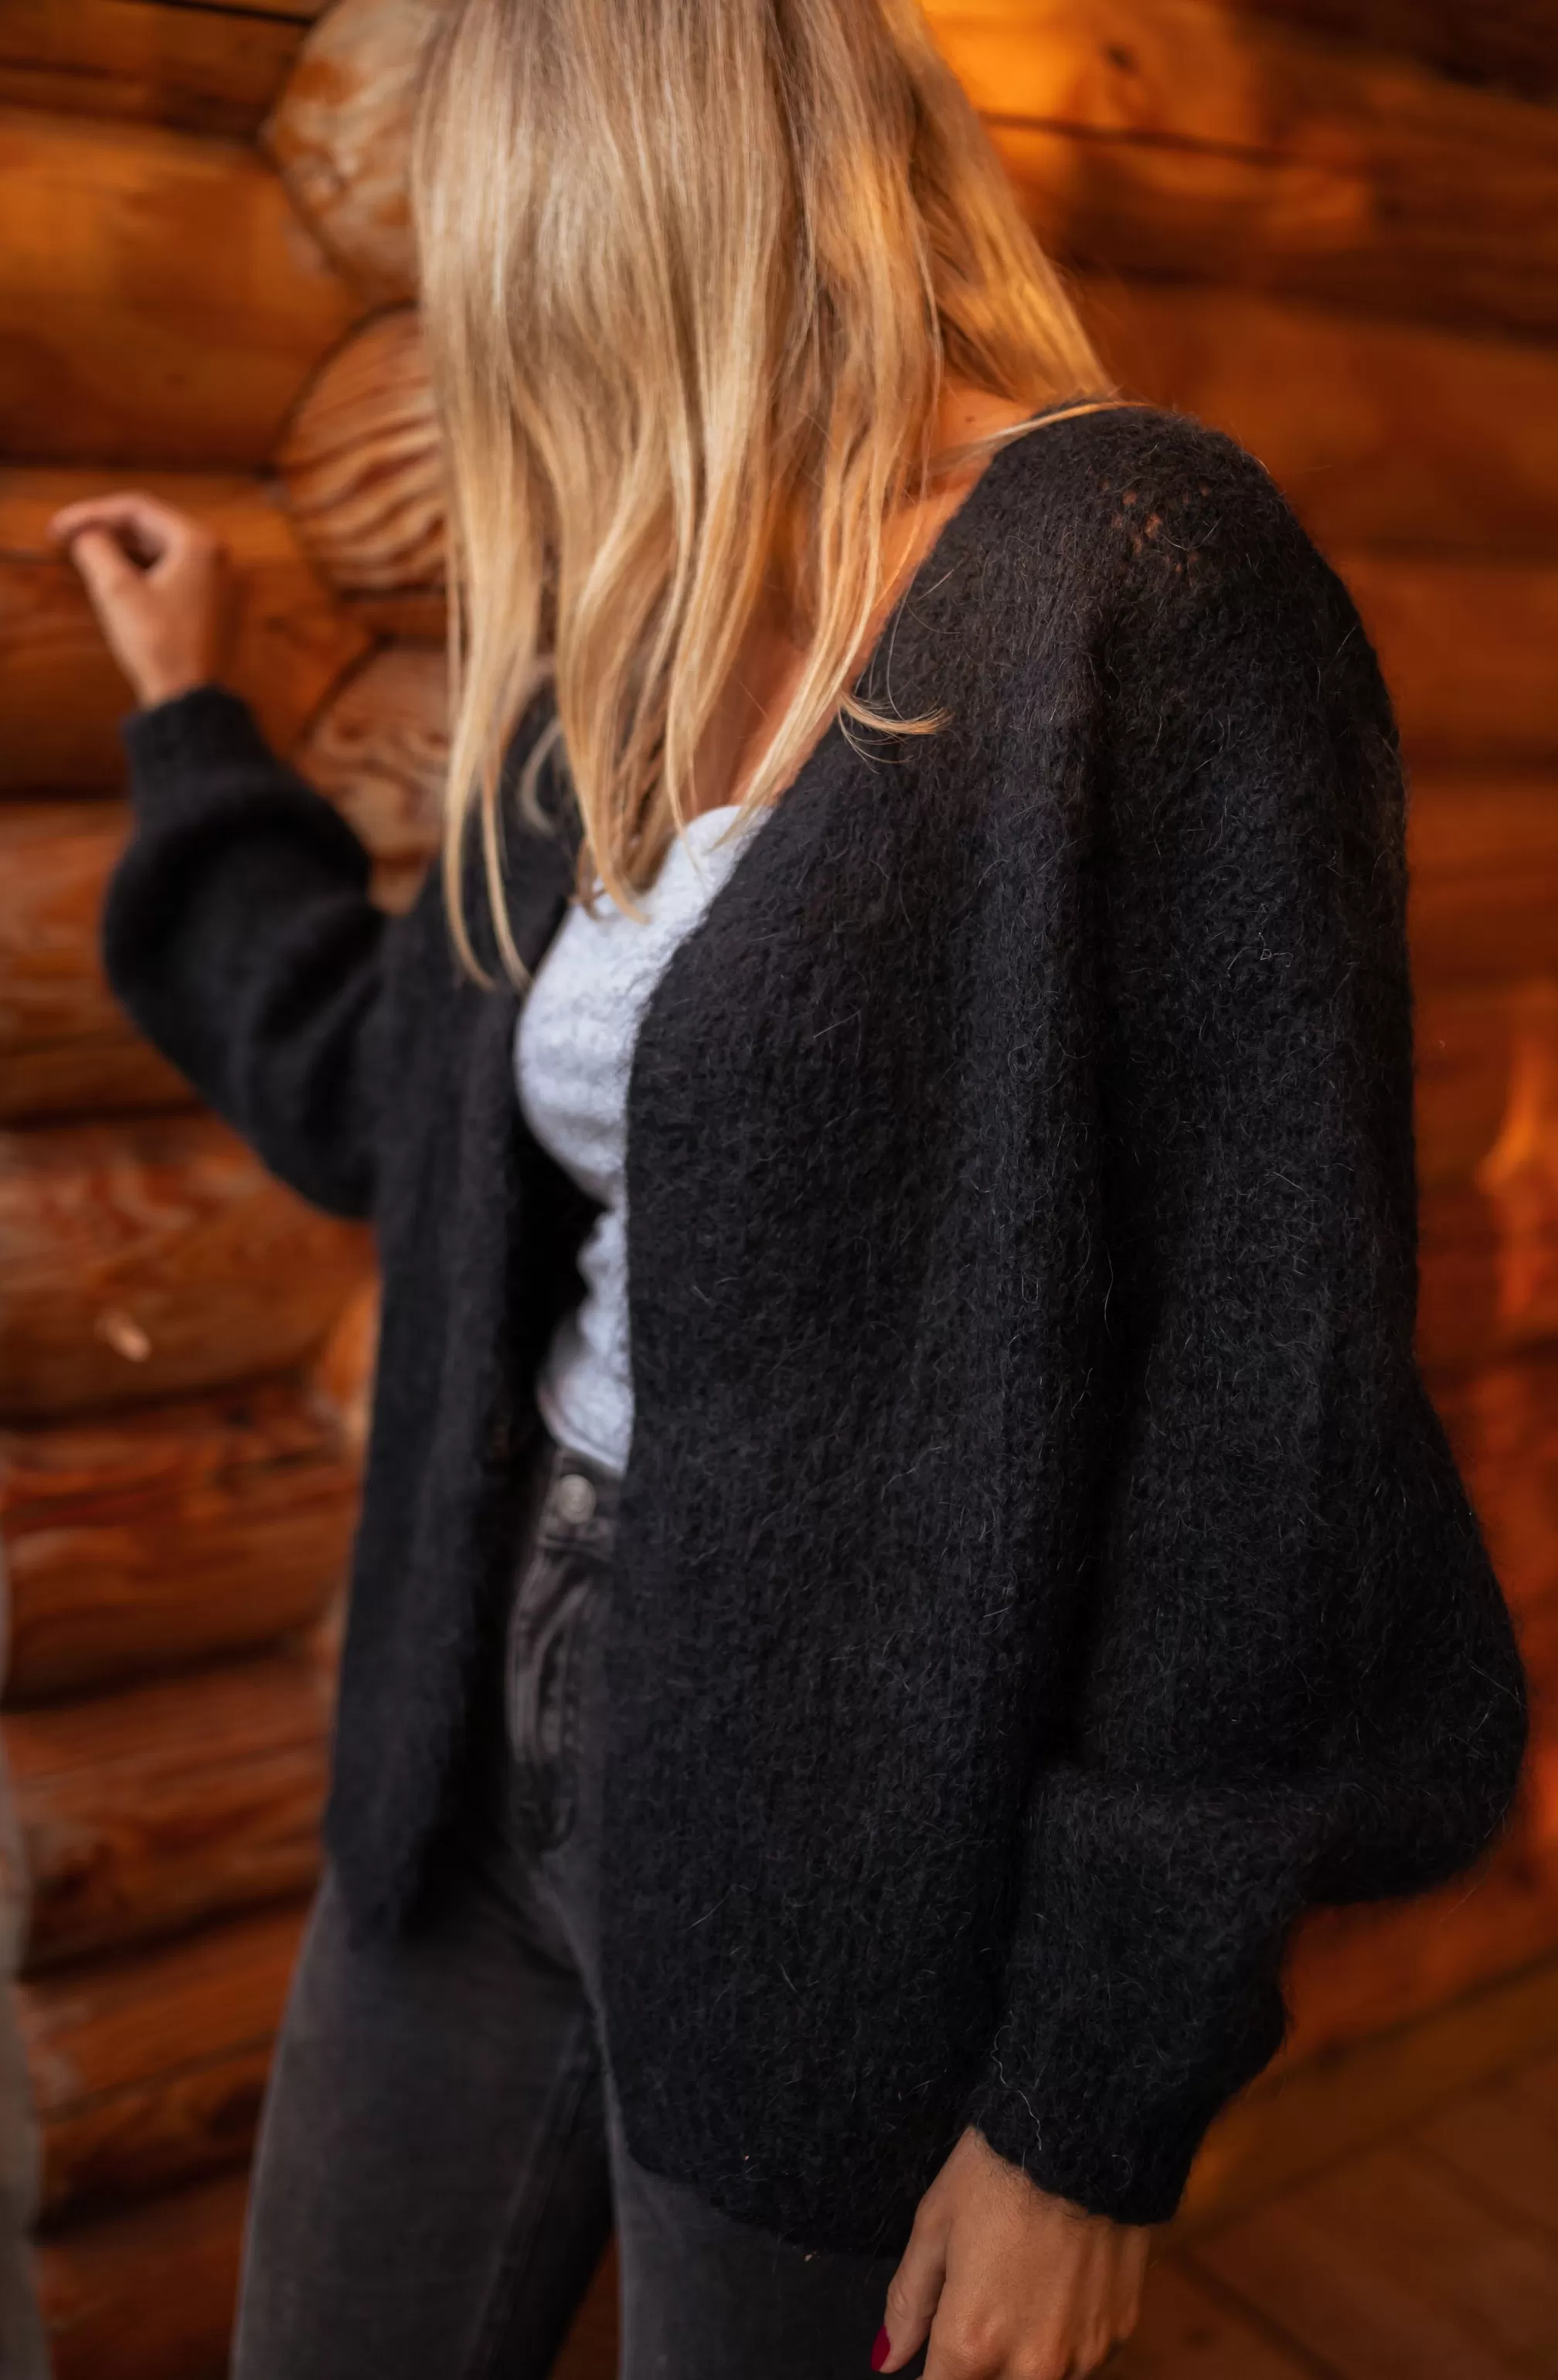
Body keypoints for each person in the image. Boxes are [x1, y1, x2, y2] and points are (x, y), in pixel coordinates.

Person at [52, 0, 1526, 2374]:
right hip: (472, 1750)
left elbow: (1272, 1402)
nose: (466, 322)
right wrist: (195, 727)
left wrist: (1085, 2110)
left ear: (610, 211)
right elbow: (385, 1099)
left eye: (479, 252)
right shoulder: (620, 641)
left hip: (855, 1837)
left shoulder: (1139, 575)